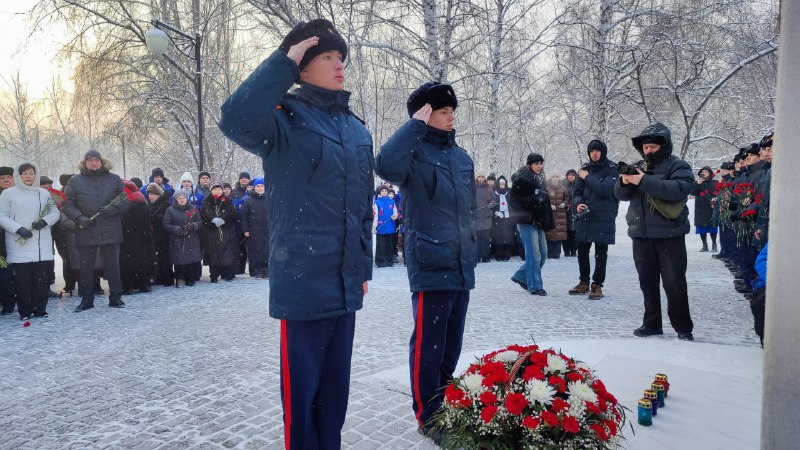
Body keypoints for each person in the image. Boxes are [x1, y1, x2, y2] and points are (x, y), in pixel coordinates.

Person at [219, 19, 374, 449]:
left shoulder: (357, 129)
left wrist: (363, 267)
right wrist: (281, 62)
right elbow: (234, 119)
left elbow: (362, 209)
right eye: (326, 56)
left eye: (341, 57)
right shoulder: (283, 120)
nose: (338, 64)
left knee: (334, 397)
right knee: (301, 397)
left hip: (345, 281)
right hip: (304, 277)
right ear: (302, 68)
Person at [375, 81, 475, 445]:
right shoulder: (413, 155)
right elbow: (384, 164)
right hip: (430, 261)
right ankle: (428, 415)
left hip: (461, 262)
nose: (450, 118)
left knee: (451, 343)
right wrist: (413, 125)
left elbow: (466, 210)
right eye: (442, 112)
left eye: (452, 112)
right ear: (425, 115)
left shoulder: (462, 157)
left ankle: (445, 401)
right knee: (427, 345)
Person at [614, 123, 695, 341]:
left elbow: (679, 189)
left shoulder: (678, 165)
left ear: (664, 145)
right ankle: (652, 323)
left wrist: (644, 180)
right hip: (641, 234)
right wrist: (624, 181)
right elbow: (620, 195)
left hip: (670, 235)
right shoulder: (637, 165)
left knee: (674, 282)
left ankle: (683, 327)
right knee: (647, 282)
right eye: (645, 147)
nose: (648, 150)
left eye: (652, 146)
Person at [63, 150, 130, 311]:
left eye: (96, 160)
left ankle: (116, 297)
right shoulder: (75, 180)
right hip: (87, 230)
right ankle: (87, 299)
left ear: (102, 161)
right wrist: (79, 217)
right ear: (84, 162)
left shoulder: (113, 179)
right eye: (90, 160)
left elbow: (126, 201)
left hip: (110, 229)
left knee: (113, 266)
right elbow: (67, 204)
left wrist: (114, 208)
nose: (93, 163)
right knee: (86, 267)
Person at [0, 162, 61, 320]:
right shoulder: (8, 194)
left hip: (41, 245)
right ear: (18, 176)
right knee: (23, 281)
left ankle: (40, 308)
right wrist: (17, 228)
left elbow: (54, 212)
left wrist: (45, 221)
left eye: (31, 173)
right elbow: (1, 216)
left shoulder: (43, 193)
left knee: (41, 281)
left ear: (36, 175)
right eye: (25, 173)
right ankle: (25, 311)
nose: (28, 176)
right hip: (19, 244)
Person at [569, 140, 619, 300]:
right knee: (582, 250)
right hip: (585, 216)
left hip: (604, 215)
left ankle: (597, 285)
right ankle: (583, 282)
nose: (594, 153)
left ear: (603, 152)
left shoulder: (612, 169)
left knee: (601, 252)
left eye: (597, 151)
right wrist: (578, 203)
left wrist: (587, 177)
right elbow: (576, 192)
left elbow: (605, 190)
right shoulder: (584, 169)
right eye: (592, 151)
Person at [509, 153, 554, 296]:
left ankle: (520, 276)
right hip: (526, 222)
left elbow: (544, 200)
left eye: (541, 163)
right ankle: (535, 286)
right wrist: (533, 200)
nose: (539, 166)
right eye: (536, 163)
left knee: (543, 254)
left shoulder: (541, 179)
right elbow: (514, 202)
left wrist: (546, 215)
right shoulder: (520, 180)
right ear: (529, 165)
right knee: (534, 255)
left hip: (539, 221)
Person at [120, 180, 154, 294]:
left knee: (127, 262)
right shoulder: (142, 201)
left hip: (127, 237)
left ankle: (128, 287)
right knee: (143, 261)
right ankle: (144, 285)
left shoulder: (125, 203)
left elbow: (123, 222)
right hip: (143, 237)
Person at [200, 181, 238, 283]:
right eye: (215, 189)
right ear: (211, 191)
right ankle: (214, 275)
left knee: (227, 253)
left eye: (219, 189)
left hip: (226, 231)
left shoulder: (228, 201)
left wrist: (224, 220)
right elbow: (203, 215)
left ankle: (228, 274)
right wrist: (212, 220)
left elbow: (234, 215)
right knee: (214, 254)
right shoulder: (207, 201)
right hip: (211, 232)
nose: (217, 191)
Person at [163, 189, 202, 287]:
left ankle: (190, 278)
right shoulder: (170, 210)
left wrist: (193, 225)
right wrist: (176, 229)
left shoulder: (193, 208)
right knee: (179, 260)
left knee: (190, 259)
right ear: (176, 199)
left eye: (183, 198)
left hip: (190, 238)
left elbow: (200, 222)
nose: (182, 200)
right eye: (179, 198)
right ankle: (180, 278)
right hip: (177, 238)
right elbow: (166, 224)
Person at [241, 178, 269, 279]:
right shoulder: (248, 200)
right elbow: (244, 216)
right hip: (253, 230)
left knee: (267, 250)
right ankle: (256, 270)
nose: (260, 188)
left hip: (268, 230)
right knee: (255, 251)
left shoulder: (269, 199)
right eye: (258, 186)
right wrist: (245, 230)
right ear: (254, 188)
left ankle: (267, 270)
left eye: (262, 186)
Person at [691, 166, 717, 252]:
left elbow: (719, 193)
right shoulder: (697, 183)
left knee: (712, 226)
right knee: (701, 227)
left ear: (710, 173)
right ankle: (704, 245)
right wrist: (697, 184)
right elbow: (692, 192)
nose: (704, 173)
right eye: (702, 172)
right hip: (700, 209)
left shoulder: (715, 182)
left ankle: (714, 244)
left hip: (712, 208)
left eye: (706, 171)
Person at [372, 186, 398, 267]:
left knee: (389, 244)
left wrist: (395, 216)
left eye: (385, 191)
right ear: (380, 192)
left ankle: (389, 261)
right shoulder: (376, 202)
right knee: (381, 245)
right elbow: (375, 215)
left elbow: (395, 212)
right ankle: (380, 262)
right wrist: (374, 226)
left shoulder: (392, 202)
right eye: (382, 191)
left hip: (390, 226)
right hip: (381, 226)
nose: (384, 192)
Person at [491, 175, 515, 261]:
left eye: (503, 184)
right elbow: (491, 204)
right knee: (498, 237)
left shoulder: (508, 192)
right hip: (497, 218)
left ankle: (507, 254)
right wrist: (496, 212)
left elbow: (512, 204)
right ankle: (498, 254)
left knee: (507, 236)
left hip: (507, 217)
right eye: (500, 183)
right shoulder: (494, 192)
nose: (502, 185)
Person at [0, 166, 14, 315]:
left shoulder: (19, 194)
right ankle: (7, 303)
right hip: (1, 242)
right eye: (2, 178)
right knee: (4, 274)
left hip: (18, 239)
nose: (5, 180)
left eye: (8, 177)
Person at [544, 174, 568, 259]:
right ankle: (550, 254)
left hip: (560, 214)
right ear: (551, 178)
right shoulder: (546, 187)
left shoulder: (563, 188)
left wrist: (564, 203)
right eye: (553, 177)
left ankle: (557, 254)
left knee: (559, 234)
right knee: (549, 234)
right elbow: (543, 199)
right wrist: (549, 205)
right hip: (549, 214)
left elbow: (567, 199)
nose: (555, 179)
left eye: (557, 177)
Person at [474, 174, 496, 263]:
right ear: (476, 178)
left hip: (486, 219)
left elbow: (494, 200)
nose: (480, 178)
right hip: (476, 219)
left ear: (484, 178)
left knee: (486, 240)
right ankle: (477, 257)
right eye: (479, 176)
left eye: (482, 176)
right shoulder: (473, 189)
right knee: (476, 240)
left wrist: (491, 204)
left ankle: (486, 257)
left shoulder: (489, 189)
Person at [563, 169, 579, 257]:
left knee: (575, 232)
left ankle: (574, 250)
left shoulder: (579, 185)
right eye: (569, 174)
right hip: (566, 212)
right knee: (566, 232)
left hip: (576, 211)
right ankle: (566, 251)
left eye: (573, 174)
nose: (571, 176)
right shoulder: (563, 185)